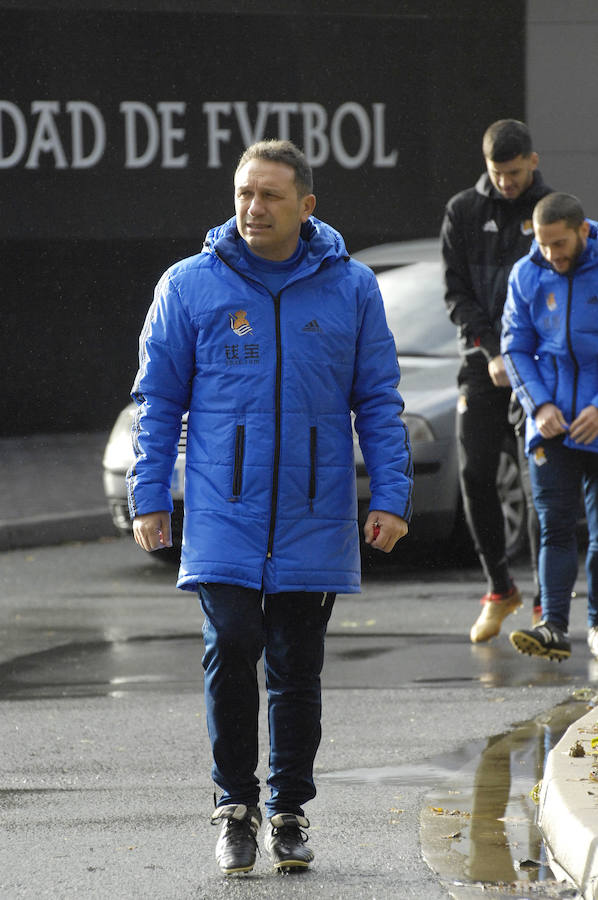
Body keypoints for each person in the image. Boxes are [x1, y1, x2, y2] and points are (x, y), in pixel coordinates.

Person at [127, 140, 413, 874]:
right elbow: (157, 402)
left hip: (315, 511)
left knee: (296, 666)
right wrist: (151, 494)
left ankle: (288, 809)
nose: (254, 208)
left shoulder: (351, 288)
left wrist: (391, 496)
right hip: (223, 510)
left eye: (271, 196)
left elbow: (379, 400)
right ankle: (234, 806)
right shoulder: (189, 285)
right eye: (244, 193)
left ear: (306, 206)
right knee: (231, 646)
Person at [441, 119, 552, 644]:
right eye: (496, 173)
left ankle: (543, 604)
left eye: (513, 172)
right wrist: (490, 347)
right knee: (476, 475)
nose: (506, 182)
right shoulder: (464, 210)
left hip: (537, 371)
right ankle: (499, 589)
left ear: (532, 160)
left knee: (537, 491)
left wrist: (521, 353)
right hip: (482, 366)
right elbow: (456, 292)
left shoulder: (551, 210)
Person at [502, 192, 598, 661]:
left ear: (582, 231)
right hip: (552, 422)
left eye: (559, 244)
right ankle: (553, 626)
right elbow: (515, 348)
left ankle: (597, 625)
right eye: (543, 245)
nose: (552, 255)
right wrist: (539, 406)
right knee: (554, 527)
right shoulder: (527, 274)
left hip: (596, 418)